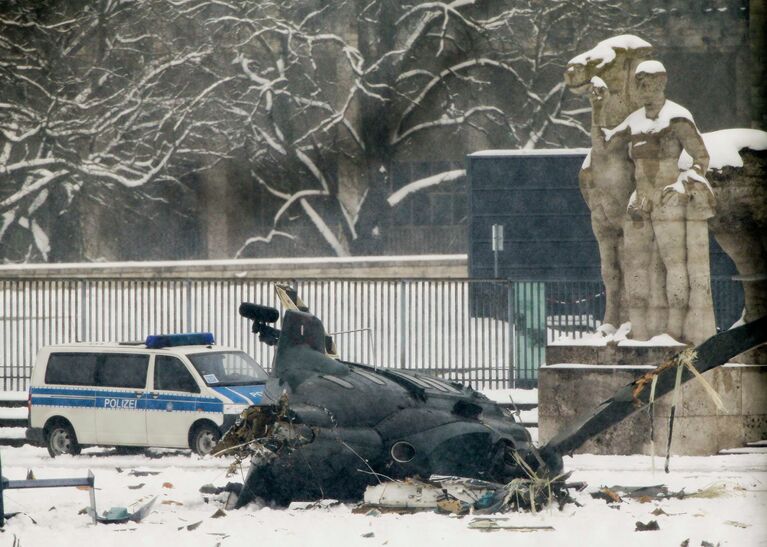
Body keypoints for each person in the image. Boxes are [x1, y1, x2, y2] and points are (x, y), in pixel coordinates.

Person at [591, 60, 716, 343]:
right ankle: (640, 327)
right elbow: (605, 145)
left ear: (661, 83)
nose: (640, 89)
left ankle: (674, 329)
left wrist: (684, 185)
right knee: (635, 265)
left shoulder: (678, 118)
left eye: (645, 83)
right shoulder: (635, 120)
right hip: (640, 201)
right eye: (638, 83)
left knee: (674, 264)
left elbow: (702, 158)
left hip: (668, 197)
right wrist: (597, 109)